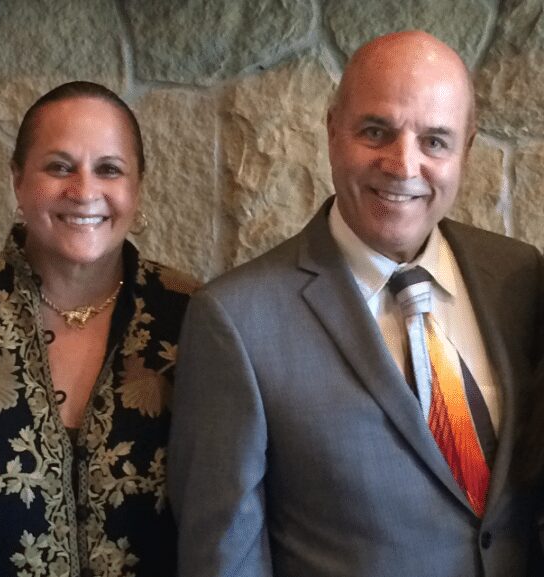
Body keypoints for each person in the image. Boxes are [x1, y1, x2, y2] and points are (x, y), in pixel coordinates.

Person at [169, 30, 544, 577]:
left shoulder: (520, 276)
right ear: (331, 131)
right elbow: (224, 559)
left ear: (466, 149)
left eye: (435, 141)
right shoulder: (236, 321)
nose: (402, 164)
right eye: (376, 131)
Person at [0, 81, 199, 576]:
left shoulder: (194, 318)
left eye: (109, 169)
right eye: (58, 167)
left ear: (137, 187)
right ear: (17, 180)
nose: (83, 191)